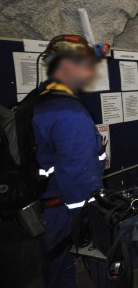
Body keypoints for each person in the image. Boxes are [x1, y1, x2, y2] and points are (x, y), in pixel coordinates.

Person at [33, 35, 108, 288]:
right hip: (68, 214)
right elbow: (80, 182)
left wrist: (97, 51)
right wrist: (92, 221)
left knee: (54, 268)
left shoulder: (42, 97)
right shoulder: (70, 114)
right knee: (71, 273)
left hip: (48, 206)